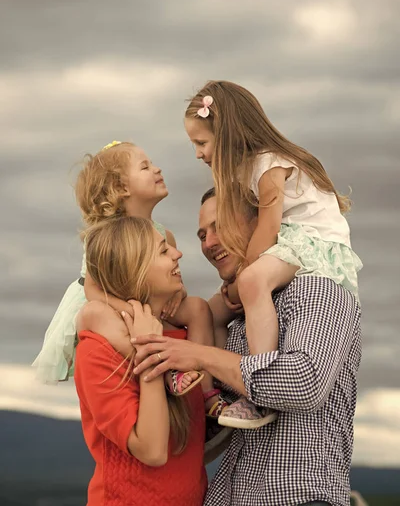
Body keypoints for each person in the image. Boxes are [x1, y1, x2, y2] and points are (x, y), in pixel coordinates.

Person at [128, 188, 362, 506]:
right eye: (201, 234)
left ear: (258, 222)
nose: (209, 242)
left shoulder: (316, 288)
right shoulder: (236, 315)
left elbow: (305, 382)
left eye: (219, 226)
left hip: (300, 496)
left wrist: (201, 356)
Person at [184, 80, 362, 427]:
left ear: (227, 135)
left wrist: (242, 277)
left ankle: (258, 391)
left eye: (201, 142)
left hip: (314, 240)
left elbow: (267, 228)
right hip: (291, 240)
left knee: (251, 282)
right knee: (212, 311)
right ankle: (219, 398)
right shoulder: (246, 170)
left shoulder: (269, 165)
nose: (198, 153)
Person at [32, 141, 214, 407]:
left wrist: (180, 293)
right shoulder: (105, 235)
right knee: (96, 315)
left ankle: (206, 396)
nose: (157, 169)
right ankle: (163, 371)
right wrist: (134, 313)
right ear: (121, 188)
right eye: (145, 166)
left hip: (150, 304)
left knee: (198, 308)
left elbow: (173, 275)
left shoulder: (164, 235)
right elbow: (92, 290)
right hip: (110, 304)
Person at [74, 216, 207, 506]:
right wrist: (149, 357)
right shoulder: (97, 351)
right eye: (163, 251)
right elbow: (152, 451)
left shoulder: (182, 338)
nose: (178, 253)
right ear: (133, 270)